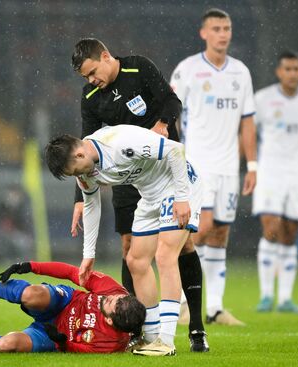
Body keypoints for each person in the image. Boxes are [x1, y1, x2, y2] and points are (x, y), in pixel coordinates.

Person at [70, 38, 207, 351]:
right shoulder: (91, 95)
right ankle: (137, 329)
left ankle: (196, 328)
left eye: (93, 72)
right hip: (128, 175)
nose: (91, 80)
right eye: (85, 77)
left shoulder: (138, 66)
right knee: (131, 249)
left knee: (181, 245)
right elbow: (82, 149)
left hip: (164, 165)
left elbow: (172, 103)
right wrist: (80, 200)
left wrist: (162, 123)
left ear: (105, 56)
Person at [45, 124, 204, 356]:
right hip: (150, 193)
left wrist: (181, 197)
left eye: (75, 170)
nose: (78, 177)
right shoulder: (87, 170)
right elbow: (91, 205)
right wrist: (88, 255)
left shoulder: (121, 142)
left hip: (179, 184)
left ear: (80, 154)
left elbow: (175, 150)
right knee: (136, 261)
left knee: (165, 255)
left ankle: (166, 341)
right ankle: (151, 338)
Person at [170, 8, 257, 326]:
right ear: (204, 33)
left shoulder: (241, 73)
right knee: (198, 230)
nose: (223, 33)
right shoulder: (188, 70)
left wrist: (254, 165)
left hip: (228, 168)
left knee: (220, 233)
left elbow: (248, 121)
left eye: (227, 28)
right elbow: (169, 113)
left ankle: (215, 308)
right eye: (217, 28)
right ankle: (180, 302)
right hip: (197, 165)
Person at [0, 260, 146, 353]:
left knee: (5, 346)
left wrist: (61, 340)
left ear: (110, 320)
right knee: (31, 294)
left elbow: (75, 348)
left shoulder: (109, 345)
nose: (109, 298)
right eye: (116, 298)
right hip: (64, 301)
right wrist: (30, 266)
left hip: (50, 335)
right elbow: (71, 273)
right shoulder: (112, 290)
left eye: (110, 304)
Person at [253, 50, 298, 313]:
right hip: (269, 172)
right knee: (271, 228)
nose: (292, 73)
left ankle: (285, 299)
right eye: (288, 69)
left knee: (291, 233)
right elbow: (248, 132)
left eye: (296, 69)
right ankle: (266, 295)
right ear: (279, 72)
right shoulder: (263, 100)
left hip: (297, 174)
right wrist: (249, 166)